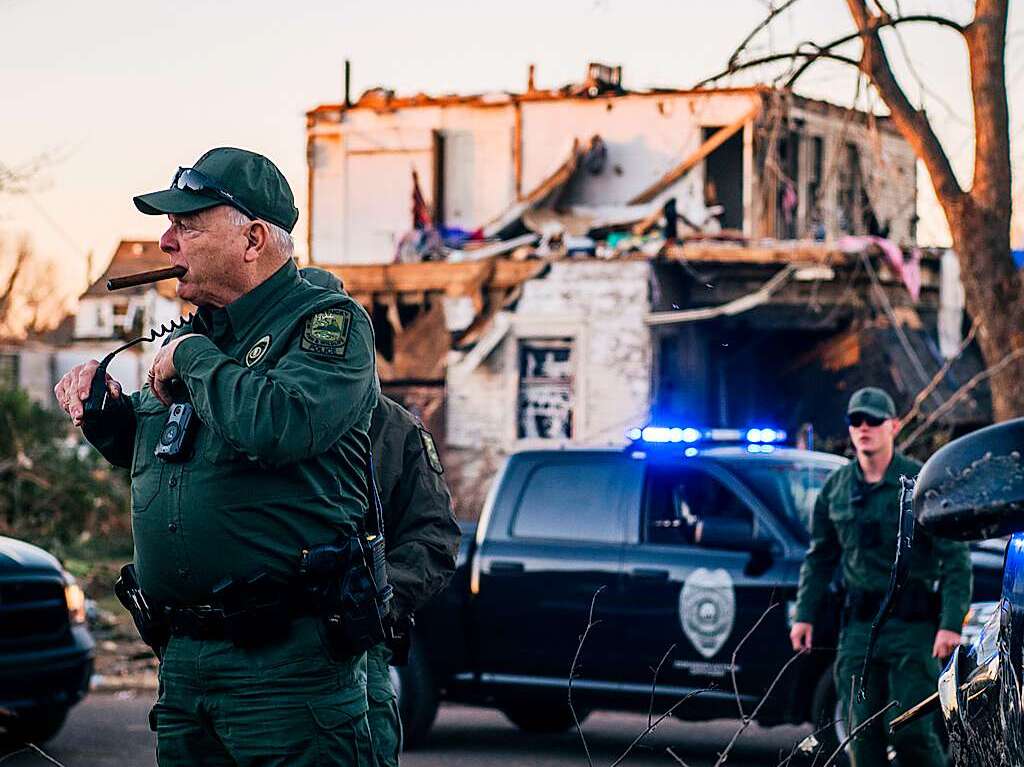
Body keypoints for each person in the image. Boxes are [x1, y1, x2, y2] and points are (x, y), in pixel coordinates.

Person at [53, 147, 379, 766]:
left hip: (286, 672)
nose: (166, 242)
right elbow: (173, 467)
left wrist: (196, 359)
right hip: (186, 663)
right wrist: (108, 418)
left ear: (253, 239)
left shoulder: (325, 323)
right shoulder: (200, 331)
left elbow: (282, 425)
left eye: (188, 225)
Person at [301, 267, 461, 766]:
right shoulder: (253, 413)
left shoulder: (394, 430)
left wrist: (374, 599)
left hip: (351, 653)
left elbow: (434, 538)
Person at [790, 387, 971, 766]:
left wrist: (950, 623)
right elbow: (820, 557)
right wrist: (804, 614)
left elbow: (955, 556)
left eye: (873, 420)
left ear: (893, 425)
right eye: (856, 420)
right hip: (858, 630)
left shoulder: (920, 484)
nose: (864, 428)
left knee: (911, 732)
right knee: (861, 734)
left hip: (912, 628)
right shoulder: (836, 490)